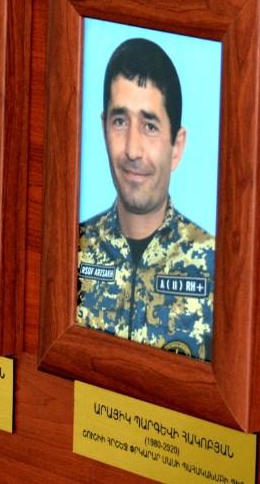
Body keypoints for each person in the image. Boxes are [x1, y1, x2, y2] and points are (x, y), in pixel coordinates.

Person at [76, 37, 215, 361]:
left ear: (176, 146)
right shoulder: (71, 251)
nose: (132, 150)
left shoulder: (214, 268)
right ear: (103, 128)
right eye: (120, 121)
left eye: (150, 126)